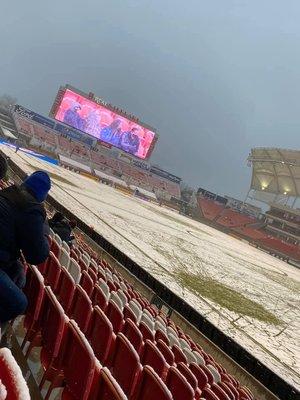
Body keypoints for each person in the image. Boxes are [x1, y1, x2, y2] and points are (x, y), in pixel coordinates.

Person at [0, 171, 51, 326]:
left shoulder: (9, 193)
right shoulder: (31, 209)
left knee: (18, 272)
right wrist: (44, 232)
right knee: (18, 303)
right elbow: (37, 256)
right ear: (42, 195)